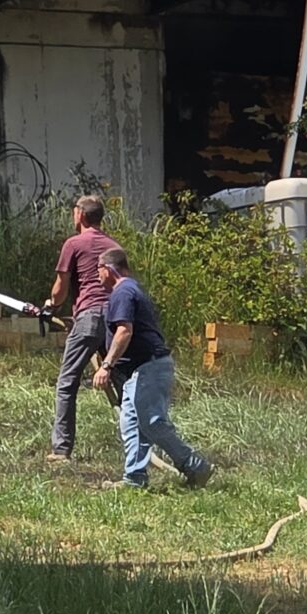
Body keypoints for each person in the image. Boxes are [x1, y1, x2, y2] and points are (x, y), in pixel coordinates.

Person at [93, 247, 213, 488]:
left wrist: (106, 365)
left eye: (98, 270)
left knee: (151, 422)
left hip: (149, 367)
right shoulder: (131, 289)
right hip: (140, 370)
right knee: (131, 423)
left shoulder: (123, 292)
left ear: (108, 269)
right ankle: (134, 479)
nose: (97, 276)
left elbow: (124, 331)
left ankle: (196, 466)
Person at [46, 195, 121, 460]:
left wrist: (51, 305)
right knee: (122, 383)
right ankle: (137, 445)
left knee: (67, 382)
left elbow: (60, 289)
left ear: (80, 214)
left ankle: (61, 449)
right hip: (116, 318)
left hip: (90, 317)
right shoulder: (114, 246)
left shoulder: (74, 243)